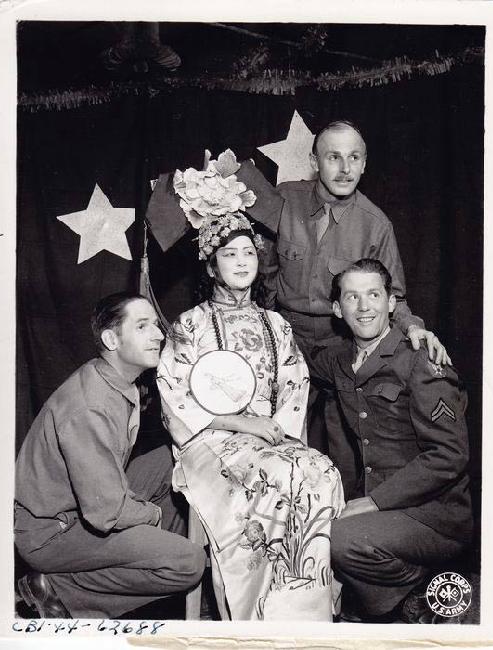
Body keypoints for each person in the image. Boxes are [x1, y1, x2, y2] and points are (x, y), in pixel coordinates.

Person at [157, 154, 345, 621]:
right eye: (229, 254)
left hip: (271, 436)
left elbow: (295, 385)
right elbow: (174, 396)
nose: (241, 262)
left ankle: (308, 609)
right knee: (274, 477)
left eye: (248, 253)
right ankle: (258, 615)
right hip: (210, 441)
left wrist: (276, 431)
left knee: (321, 471)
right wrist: (241, 424)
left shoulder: (276, 324)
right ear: (211, 266)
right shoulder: (190, 325)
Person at [237, 120, 451, 494]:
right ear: (314, 161)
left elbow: (394, 296)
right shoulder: (284, 199)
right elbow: (263, 267)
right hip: (287, 337)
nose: (344, 168)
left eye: (354, 158)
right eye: (333, 157)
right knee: (273, 440)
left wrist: (414, 327)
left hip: (342, 342)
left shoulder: (375, 225)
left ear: (364, 164)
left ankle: (346, 520)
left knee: (347, 449)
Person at [15, 292, 206, 619]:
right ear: (111, 340)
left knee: (172, 459)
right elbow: (105, 514)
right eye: (142, 326)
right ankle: (56, 589)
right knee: (189, 563)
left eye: (156, 325)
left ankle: (152, 550)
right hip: (51, 532)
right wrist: (151, 514)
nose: (159, 335)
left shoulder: (114, 377)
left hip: (83, 505)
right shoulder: (90, 407)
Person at [303, 259, 472, 622]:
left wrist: (377, 501)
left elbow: (449, 454)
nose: (364, 307)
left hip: (432, 514)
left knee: (339, 539)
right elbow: (294, 351)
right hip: (382, 513)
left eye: (374, 295)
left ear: (392, 303)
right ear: (337, 309)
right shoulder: (339, 359)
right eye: (352, 297)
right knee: (313, 533)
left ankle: (416, 592)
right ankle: (398, 600)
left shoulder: (422, 360)